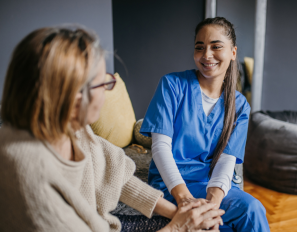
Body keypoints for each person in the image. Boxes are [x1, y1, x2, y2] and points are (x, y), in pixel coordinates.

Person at [0, 26, 225, 232]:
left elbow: (118, 176)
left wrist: (183, 214)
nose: (108, 90)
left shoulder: (72, 128)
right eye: (103, 83)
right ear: (73, 98)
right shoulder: (27, 172)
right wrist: (178, 227)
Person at [140, 17, 270, 231]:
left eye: (216, 47)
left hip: (210, 185)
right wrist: (184, 199)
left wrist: (214, 202)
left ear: (233, 52)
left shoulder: (239, 105)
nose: (206, 55)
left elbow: (227, 160)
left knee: (252, 209)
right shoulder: (171, 85)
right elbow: (160, 148)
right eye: (200, 47)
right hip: (172, 185)